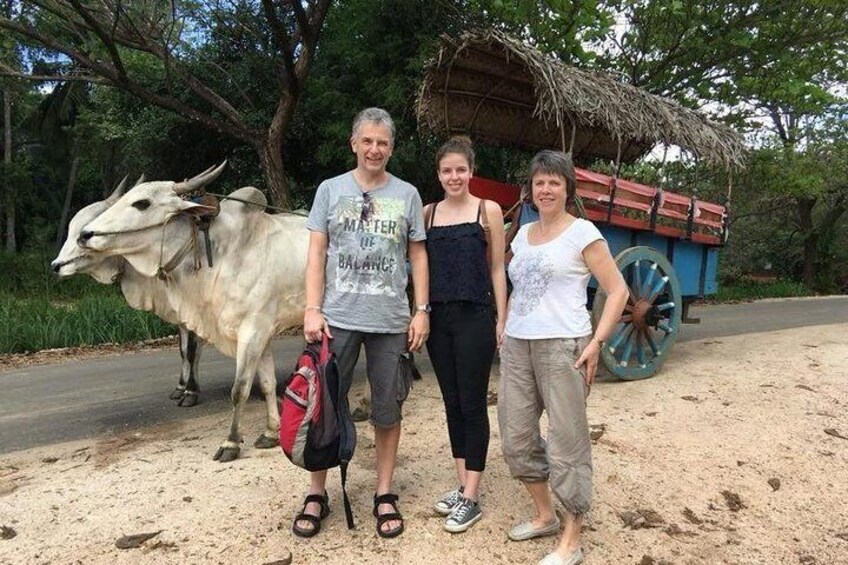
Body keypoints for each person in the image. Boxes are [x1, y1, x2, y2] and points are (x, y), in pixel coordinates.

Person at [295, 107, 429, 539]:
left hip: (390, 320)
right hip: (338, 318)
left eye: (383, 143)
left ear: (391, 148)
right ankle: (317, 492)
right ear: (354, 143)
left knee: (387, 408)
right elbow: (317, 252)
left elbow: (418, 255)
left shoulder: (407, 194)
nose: (375, 149)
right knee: (325, 406)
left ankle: (384, 491)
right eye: (367, 141)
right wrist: (312, 308)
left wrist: (421, 309)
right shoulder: (330, 191)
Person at [498, 150, 628, 565]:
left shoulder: (582, 232)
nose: (547, 188)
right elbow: (509, 279)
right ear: (531, 190)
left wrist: (597, 343)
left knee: (567, 442)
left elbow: (618, 290)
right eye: (540, 182)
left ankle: (572, 539)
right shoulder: (522, 234)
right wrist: (503, 323)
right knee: (516, 437)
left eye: (555, 181)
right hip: (518, 345)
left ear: (567, 188)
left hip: (564, 347)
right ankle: (544, 514)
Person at [423, 137, 507, 533]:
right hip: (439, 320)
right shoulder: (427, 214)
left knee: (473, 405)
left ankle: (471, 497)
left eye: (461, 169)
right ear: (438, 174)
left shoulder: (487, 211)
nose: (454, 176)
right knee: (451, 403)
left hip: (476, 317)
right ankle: (462, 484)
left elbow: (496, 270)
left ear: (471, 171)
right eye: (446, 170)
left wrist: (501, 319)